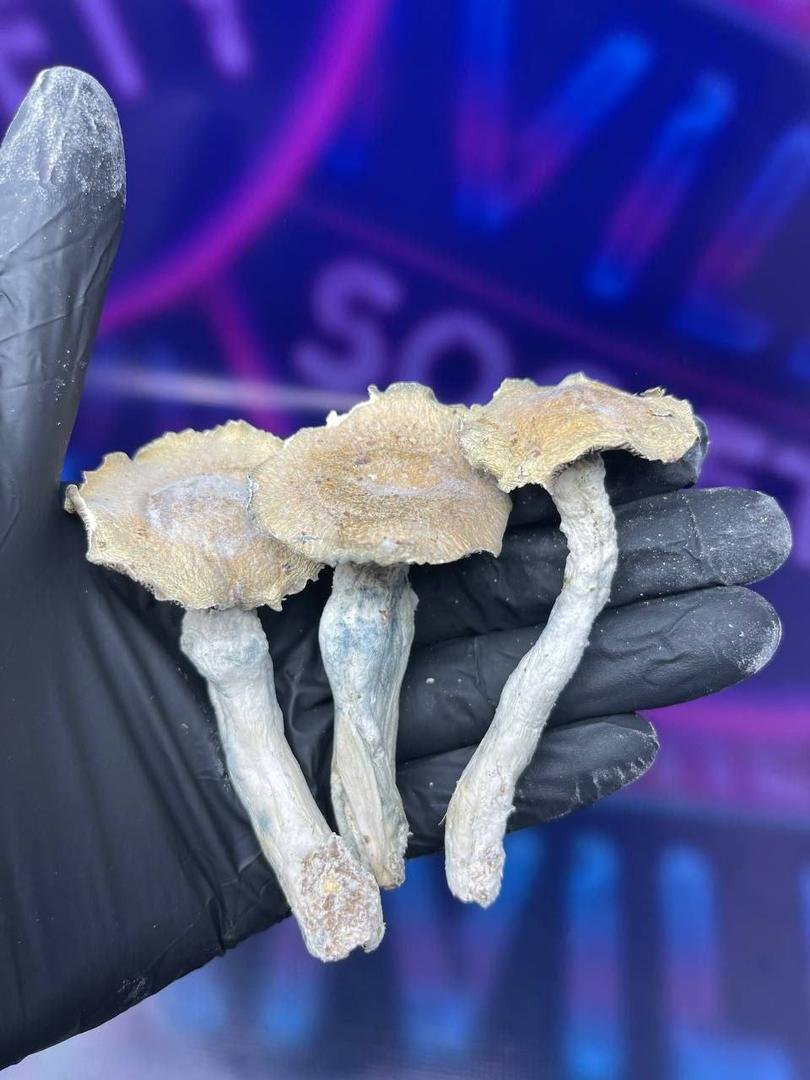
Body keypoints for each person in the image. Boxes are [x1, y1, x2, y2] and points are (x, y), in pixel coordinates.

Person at [0, 67, 791, 1068]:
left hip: (391, 559)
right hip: (229, 604)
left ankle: (374, 848)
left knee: (488, 612)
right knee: (314, 642)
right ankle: (334, 867)